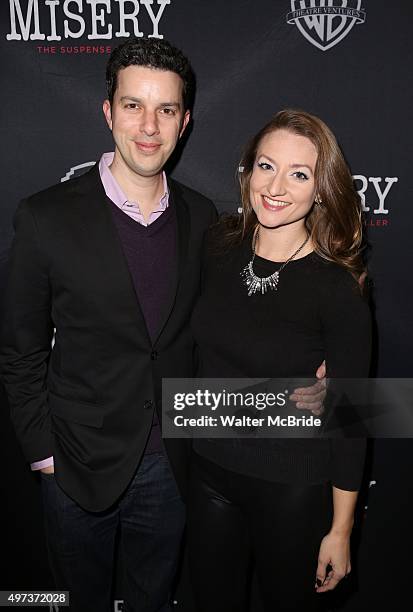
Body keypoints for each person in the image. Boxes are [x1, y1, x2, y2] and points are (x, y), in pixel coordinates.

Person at [0, 41, 325, 611]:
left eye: (166, 110)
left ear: (185, 121)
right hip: (75, 464)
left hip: (175, 468)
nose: (149, 127)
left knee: (154, 599)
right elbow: (19, 350)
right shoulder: (44, 216)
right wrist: (44, 455)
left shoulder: (205, 219)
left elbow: (236, 317)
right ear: (108, 112)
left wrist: (310, 364)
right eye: (133, 106)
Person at [187, 109, 371, 612]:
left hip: (292, 485)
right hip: (207, 472)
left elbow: (352, 419)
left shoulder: (337, 288)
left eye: (299, 174)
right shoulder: (218, 247)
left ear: (321, 189)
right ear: (247, 170)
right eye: (266, 166)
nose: (277, 186)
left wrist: (340, 529)